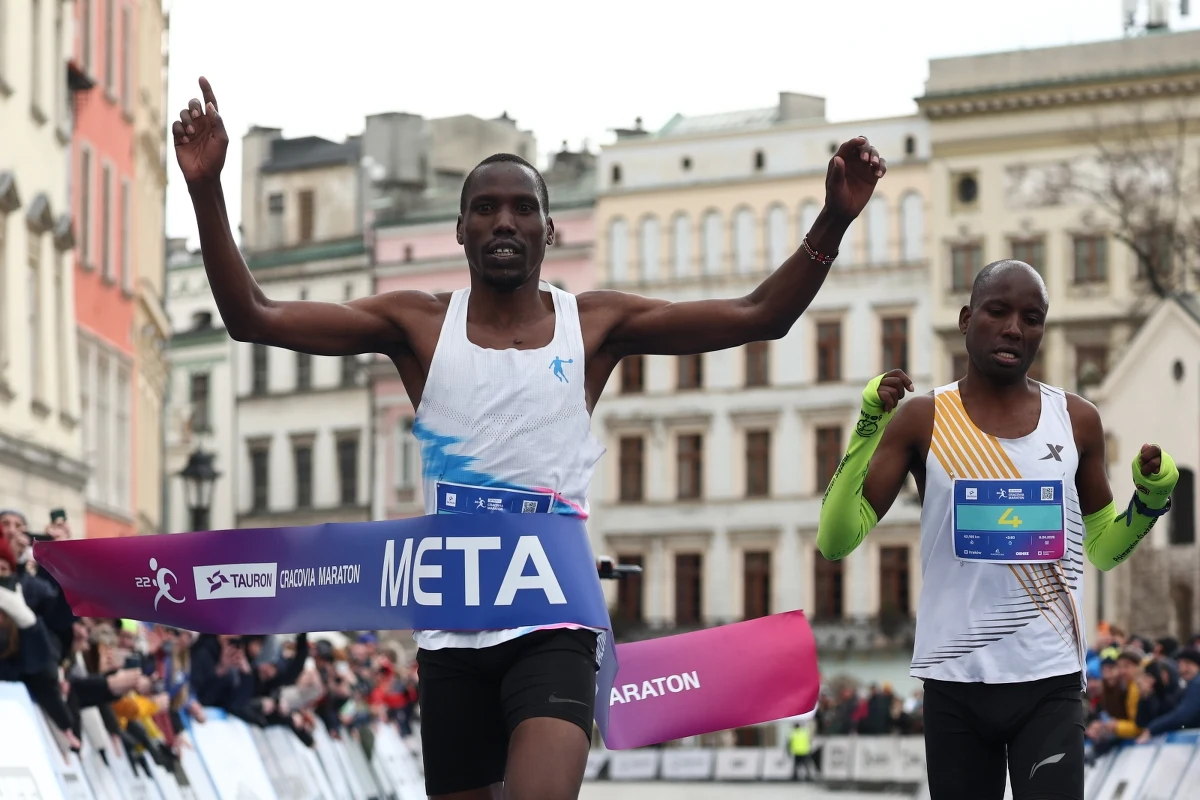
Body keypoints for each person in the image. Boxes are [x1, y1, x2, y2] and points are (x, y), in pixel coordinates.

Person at [172, 76, 886, 800]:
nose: (504, 222)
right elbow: (253, 317)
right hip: (452, 627)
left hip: (553, 615)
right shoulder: (418, 325)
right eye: (485, 209)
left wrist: (832, 220)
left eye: (523, 208)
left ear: (550, 230)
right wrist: (205, 190)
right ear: (460, 230)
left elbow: (760, 315)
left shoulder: (594, 325)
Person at [817, 260, 1179, 800]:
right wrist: (869, 426)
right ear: (967, 319)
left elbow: (1103, 549)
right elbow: (835, 540)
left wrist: (1148, 501)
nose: (1014, 328)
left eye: (1031, 318)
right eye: (998, 311)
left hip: (1049, 680)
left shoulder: (1076, 420)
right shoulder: (923, 418)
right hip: (954, 681)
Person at [1136, 648, 1200, 741]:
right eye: (1180, 664)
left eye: (1188, 664)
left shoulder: (1196, 684)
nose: (1183, 669)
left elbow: (1183, 715)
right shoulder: (1186, 688)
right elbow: (1142, 722)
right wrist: (1145, 697)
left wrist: (1152, 729)